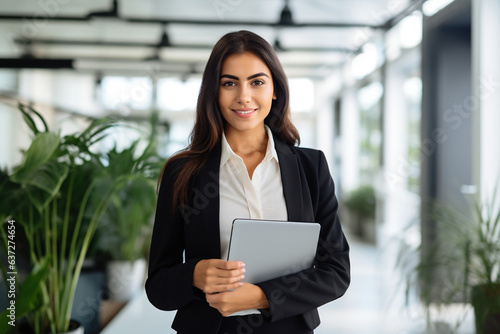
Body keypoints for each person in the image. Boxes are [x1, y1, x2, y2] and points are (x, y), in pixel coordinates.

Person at [145, 30, 350, 334]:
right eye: (229, 83)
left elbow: (336, 272)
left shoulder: (310, 167)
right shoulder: (184, 171)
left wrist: (262, 296)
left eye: (257, 82)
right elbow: (158, 287)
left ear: (275, 90)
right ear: (213, 91)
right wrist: (195, 274)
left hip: (289, 327)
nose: (244, 96)